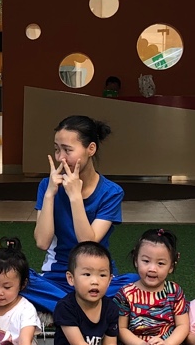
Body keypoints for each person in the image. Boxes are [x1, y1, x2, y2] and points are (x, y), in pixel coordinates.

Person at [25, 115, 138, 312]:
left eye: (68, 150)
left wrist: (75, 197)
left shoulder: (111, 192)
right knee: (21, 279)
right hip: (58, 277)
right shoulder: (47, 186)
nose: (60, 158)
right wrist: (50, 194)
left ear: (91, 149)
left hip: (97, 278)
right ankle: (88, 308)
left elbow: (87, 244)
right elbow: (42, 242)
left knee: (136, 282)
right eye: (57, 149)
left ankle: (66, 307)